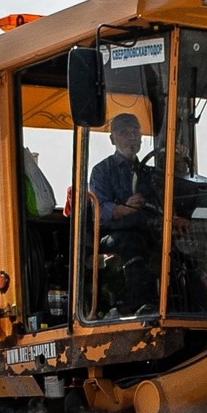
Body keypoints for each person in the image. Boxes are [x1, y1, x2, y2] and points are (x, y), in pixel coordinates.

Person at [88, 114, 161, 312]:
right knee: (133, 242)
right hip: (111, 235)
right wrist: (125, 208)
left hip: (147, 231)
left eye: (135, 132)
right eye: (124, 133)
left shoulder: (150, 174)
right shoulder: (101, 171)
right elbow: (100, 211)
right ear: (112, 139)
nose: (131, 137)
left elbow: (161, 205)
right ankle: (143, 307)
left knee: (179, 246)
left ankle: (191, 304)